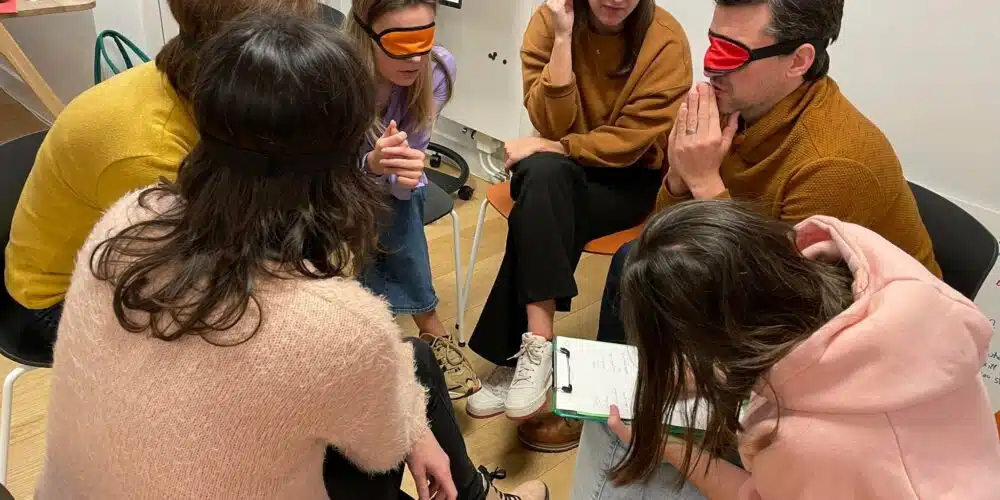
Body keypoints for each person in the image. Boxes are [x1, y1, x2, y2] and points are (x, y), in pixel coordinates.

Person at [35, 15, 547, 500]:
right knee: (401, 381)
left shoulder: (129, 218)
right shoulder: (336, 324)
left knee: (410, 365)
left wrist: (408, 419)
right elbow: (379, 444)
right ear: (341, 167)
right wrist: (412, 426)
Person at [577, 0, 944, 489]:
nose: (710, 65)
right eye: (712, 41)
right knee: (633, 266)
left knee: (626, 430)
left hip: (841, 353)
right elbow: (666, 240)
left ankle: (646, 434)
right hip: (763, 298)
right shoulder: (739, 109)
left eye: (731, 52)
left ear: (798, 60)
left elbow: (777, 311)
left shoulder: (832, 163)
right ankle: (617, 402)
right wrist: (681, 179)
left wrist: (705, 181)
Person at [601, 200, 1000, 499]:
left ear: (707, 345)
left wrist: (668, 446)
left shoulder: (802, 442)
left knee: (613, 444)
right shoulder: (886, 285)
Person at [4, 0, 319, 347]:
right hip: (56, 299)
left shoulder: (190, 74)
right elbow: (193, 277)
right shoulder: (151, 154)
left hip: (130, 248)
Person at [465, 0, 692, 452]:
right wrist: (564, 38)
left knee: (543, 196)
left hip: (626, 177)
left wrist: (559, 147)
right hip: (556, 167)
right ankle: (538, 343)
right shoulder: (550, 22)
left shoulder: (665, 40)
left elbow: (631, 142)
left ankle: (516, 359)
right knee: (545, 182)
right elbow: (548, 121)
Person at [343, 0, 480, 400]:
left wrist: (393, 174)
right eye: (401, 44)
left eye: (425, 39)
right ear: (365, 34)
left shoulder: (437, 70)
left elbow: (410, 166)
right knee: (385, 204)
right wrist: (372, 166)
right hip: (330, 182)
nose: (416, 58)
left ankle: (376, 333)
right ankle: (428, 326)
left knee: (399, 201)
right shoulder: (331, 76)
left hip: (389, 196)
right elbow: (320, 170)